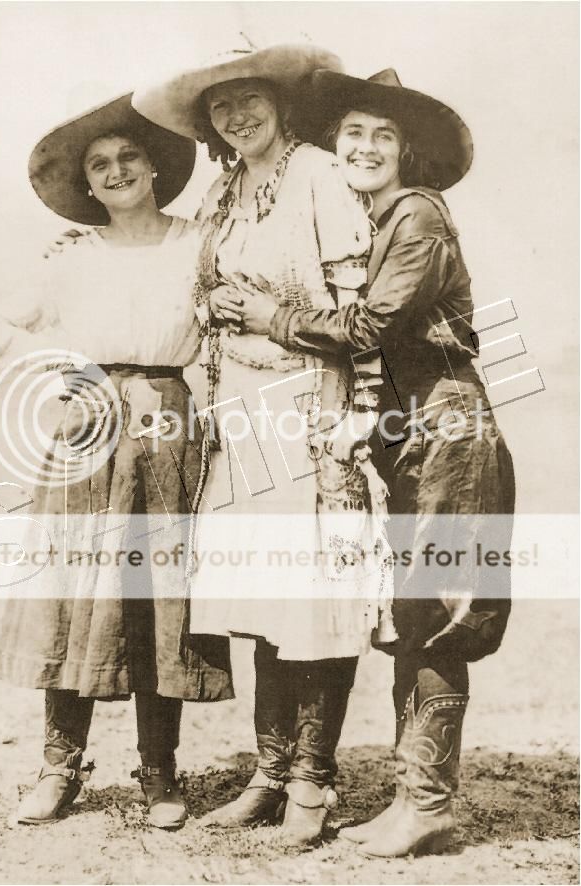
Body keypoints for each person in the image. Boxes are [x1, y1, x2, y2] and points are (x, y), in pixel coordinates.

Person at [235, 68, 515, 856]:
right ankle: (412, 799)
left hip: (449, 434)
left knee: (435, 619)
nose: (362, 146)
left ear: (407, 150)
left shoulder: (418, 217)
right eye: (351, 133)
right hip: (413, 434)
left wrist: (271, 314)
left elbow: (370, 324)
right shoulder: (381, 219)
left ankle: (426, 804)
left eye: (380, 135)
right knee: (414, 616)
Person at [133, 43, 395, 848]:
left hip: (311, 401)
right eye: (220, 107)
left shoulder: (318, 172)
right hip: (239, 410)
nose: (236, 116)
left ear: (279, 104)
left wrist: (360, 411)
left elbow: (356, 309)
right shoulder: (224, 189)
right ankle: (269, 775)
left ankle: (313, 784)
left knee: (313, 600)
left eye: (249, 99)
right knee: (265, 601)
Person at [0, 94, 233, 830]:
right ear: (86, 184)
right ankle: (59, 768)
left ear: (155, 165)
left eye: (128, 157)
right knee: (73, 593)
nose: (117, 170)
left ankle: (159, 776)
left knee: (157, 599)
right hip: (86, 429)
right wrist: (63, 372)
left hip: (167, 421)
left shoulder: (197, 242)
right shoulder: (69, 255)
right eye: (99, 164)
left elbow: (223, 330)